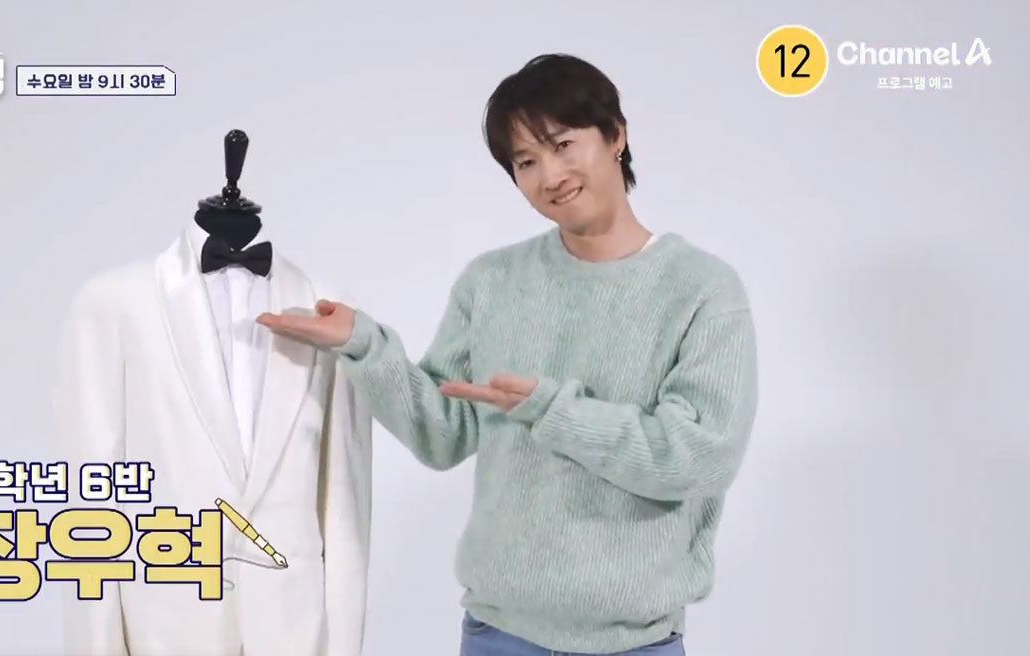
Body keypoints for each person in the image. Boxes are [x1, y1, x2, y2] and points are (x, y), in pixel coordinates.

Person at [256, 53, 758, 656]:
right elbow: (443, 433)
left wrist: (554, 411)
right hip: (499, 635)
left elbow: (697, 459)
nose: (551, 175)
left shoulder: (703, 289)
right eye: (526, 162)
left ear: (616, 136)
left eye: (563, 145)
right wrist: (363, 345)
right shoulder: (492, 281)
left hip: (636, 642)